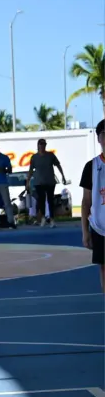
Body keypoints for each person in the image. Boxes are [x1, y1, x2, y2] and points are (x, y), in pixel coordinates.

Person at [80, 119, 105, 292]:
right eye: (104, 135)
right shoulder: (92, 166)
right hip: (100, 226)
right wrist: (85, 231)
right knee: (104, 267)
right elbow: (86, 201)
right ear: (99, 139)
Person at [28, 139, 67, 228]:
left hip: (50, 181)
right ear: (38, 146)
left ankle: (52, 219)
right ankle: (43, 218)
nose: (42, 146)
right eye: (41, 144)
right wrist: (28, 181)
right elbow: (31, 170)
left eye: (44, 144)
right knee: (41, 200)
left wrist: (63, 176)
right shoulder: (34, 157)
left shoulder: (50, 155)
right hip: (39, 182)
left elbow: (58, 165)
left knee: (50, 200)